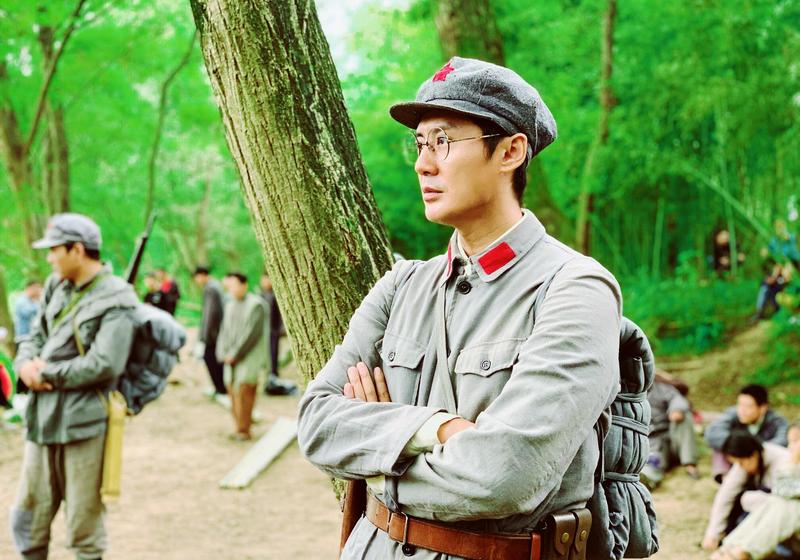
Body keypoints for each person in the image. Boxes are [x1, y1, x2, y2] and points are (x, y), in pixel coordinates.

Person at [297, 57, 622, 559]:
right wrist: (437, 429)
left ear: (511, 151)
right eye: (420, 144)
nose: (423, 164)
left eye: (443, 141)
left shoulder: (575, 289)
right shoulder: (401, 286)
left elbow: (505, 475)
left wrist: (377, 460)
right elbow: (317, 424)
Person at [10, 213, 138, 560]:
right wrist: (24, 366)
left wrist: (47, 374)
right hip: (42, 419)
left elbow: (105, 363)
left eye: (55, 250)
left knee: (84, 526)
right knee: (29, 518)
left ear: (77, 250)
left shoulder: (118, 297)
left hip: (84, 424)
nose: (50, 258)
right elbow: (35, 335)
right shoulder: (56, 285)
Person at [711, 424, 800, 560]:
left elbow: (784, 490)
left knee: (788, 506)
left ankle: (744, 551)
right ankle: (731, 547)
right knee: (774, 502)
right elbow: (727, 492)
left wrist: (791, 464)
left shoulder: (785, 460)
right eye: (790, 442)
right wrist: (713, 533)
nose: (791, 448)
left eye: (796, 441)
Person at [216, 272, 267, 441]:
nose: (231, 289)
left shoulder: (256, 305)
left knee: (246, 389)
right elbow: (224, 331)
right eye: (229, 286)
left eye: (234, 285)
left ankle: (244, 429)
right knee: (231, 388)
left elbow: (251, 334)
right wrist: (223, 352)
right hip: (229, 357)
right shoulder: (229, 304)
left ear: (244, 285)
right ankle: (237, 426)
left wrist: (235, 353)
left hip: (248, 356)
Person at [705, 384, 789, 482]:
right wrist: (739, 444)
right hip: (735, 461)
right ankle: (725, 479)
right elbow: (712, 433)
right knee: (723, 445)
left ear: (763, 408)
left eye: (748, 406)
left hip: (761, 464)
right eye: (740, 404)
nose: (742, 410)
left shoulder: (777, 421)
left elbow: (783, 440)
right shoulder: (733, 414)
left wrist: (754, 447)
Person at [641, 370, 699, 489]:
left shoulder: (662, 388)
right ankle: (646, 480)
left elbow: (678, 400)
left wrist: (676, 409)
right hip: (649, 443)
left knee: (684, 417)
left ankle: (690, 463)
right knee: (651, 462)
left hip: (671, 439)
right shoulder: (624, 390)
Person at [192, 266, 228, 403]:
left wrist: (204, 336)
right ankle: (219, 387)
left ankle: (220, 388)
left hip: (213, 334)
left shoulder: (211, 288)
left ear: (202, 275)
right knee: (214, 359)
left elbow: (209, 314)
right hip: (216, 332)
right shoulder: (214, 286)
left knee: (211, 359)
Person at [259, 272, 297, 396]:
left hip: (273, 331)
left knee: (273, 353)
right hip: (263, 331)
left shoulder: (274, 295)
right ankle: (268, 376)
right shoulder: (261, 295)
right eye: (263, 279)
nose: (265, 282)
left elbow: (280, 315)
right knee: (266, 354)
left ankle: (274, 374)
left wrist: (281, 330)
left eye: (267, 279)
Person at [12, 280, 42, 394]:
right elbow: (29, 312)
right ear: (30, 288)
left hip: (32, 338)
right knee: (23, 363)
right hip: (23, 338)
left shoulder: (32, 301)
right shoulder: (22, 301)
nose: (38, 291)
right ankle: (21, 390)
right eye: (36, 288)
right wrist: (42, 300)